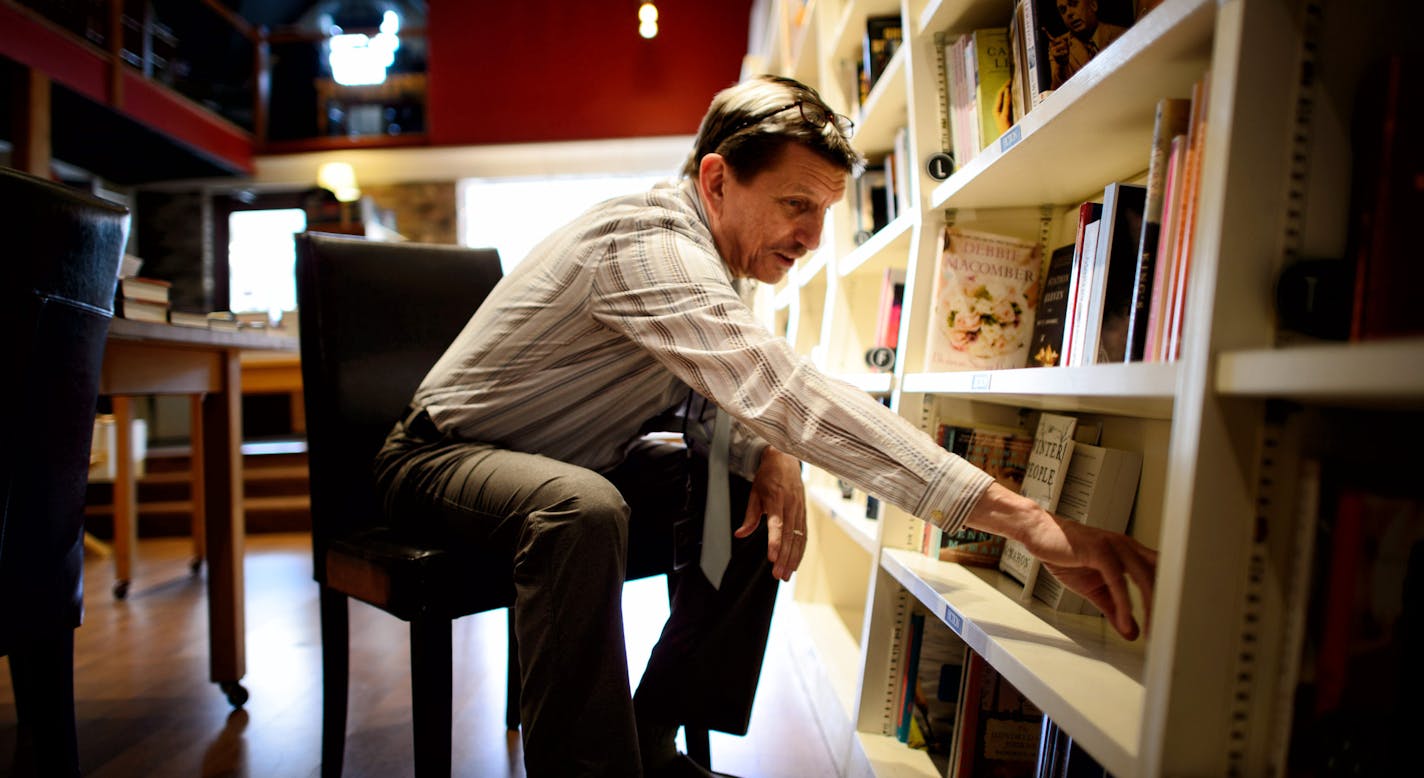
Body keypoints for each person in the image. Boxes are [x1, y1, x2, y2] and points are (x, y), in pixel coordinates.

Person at [374, 74, 1157, 777]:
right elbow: (784, 392)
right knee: (581, 507)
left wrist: (772, 453)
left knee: (745, 482)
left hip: (568, 461)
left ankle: (650, 735)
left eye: (823, 212)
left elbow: (727, 407)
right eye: (796, 205)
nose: (813, 239)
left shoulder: (714, 265)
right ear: (716, 179)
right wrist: (1025, 520)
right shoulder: (647, 243)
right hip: (438, 460)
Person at [1045, 0, 1130, 88]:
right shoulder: (1059, 47)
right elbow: (1056, 93)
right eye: (1063, 10)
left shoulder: (1122, 35)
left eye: (1074, 4)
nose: (1069, 13)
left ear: (1093, 5)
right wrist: (1062, 65)